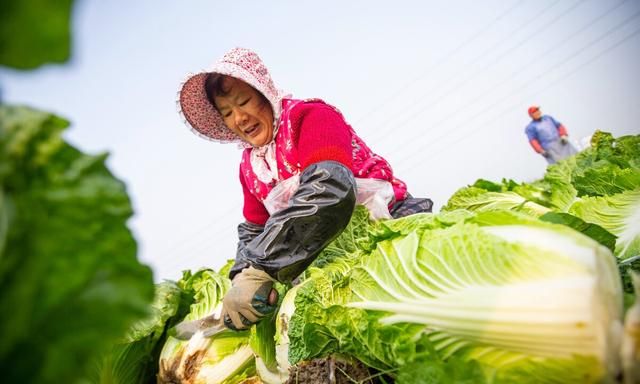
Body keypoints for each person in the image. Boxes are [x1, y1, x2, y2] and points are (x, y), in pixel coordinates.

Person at [178, 47, 432, 331]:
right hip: (325, 259)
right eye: (227, 112)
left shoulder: (309, 117)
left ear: (265, 91)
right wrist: (241, 276)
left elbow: (329, 191)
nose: (239, 118)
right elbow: (254, 230)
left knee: (411, 308)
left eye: (245, 101)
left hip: (387, 229)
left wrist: (262, 269)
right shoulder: (251, 166)